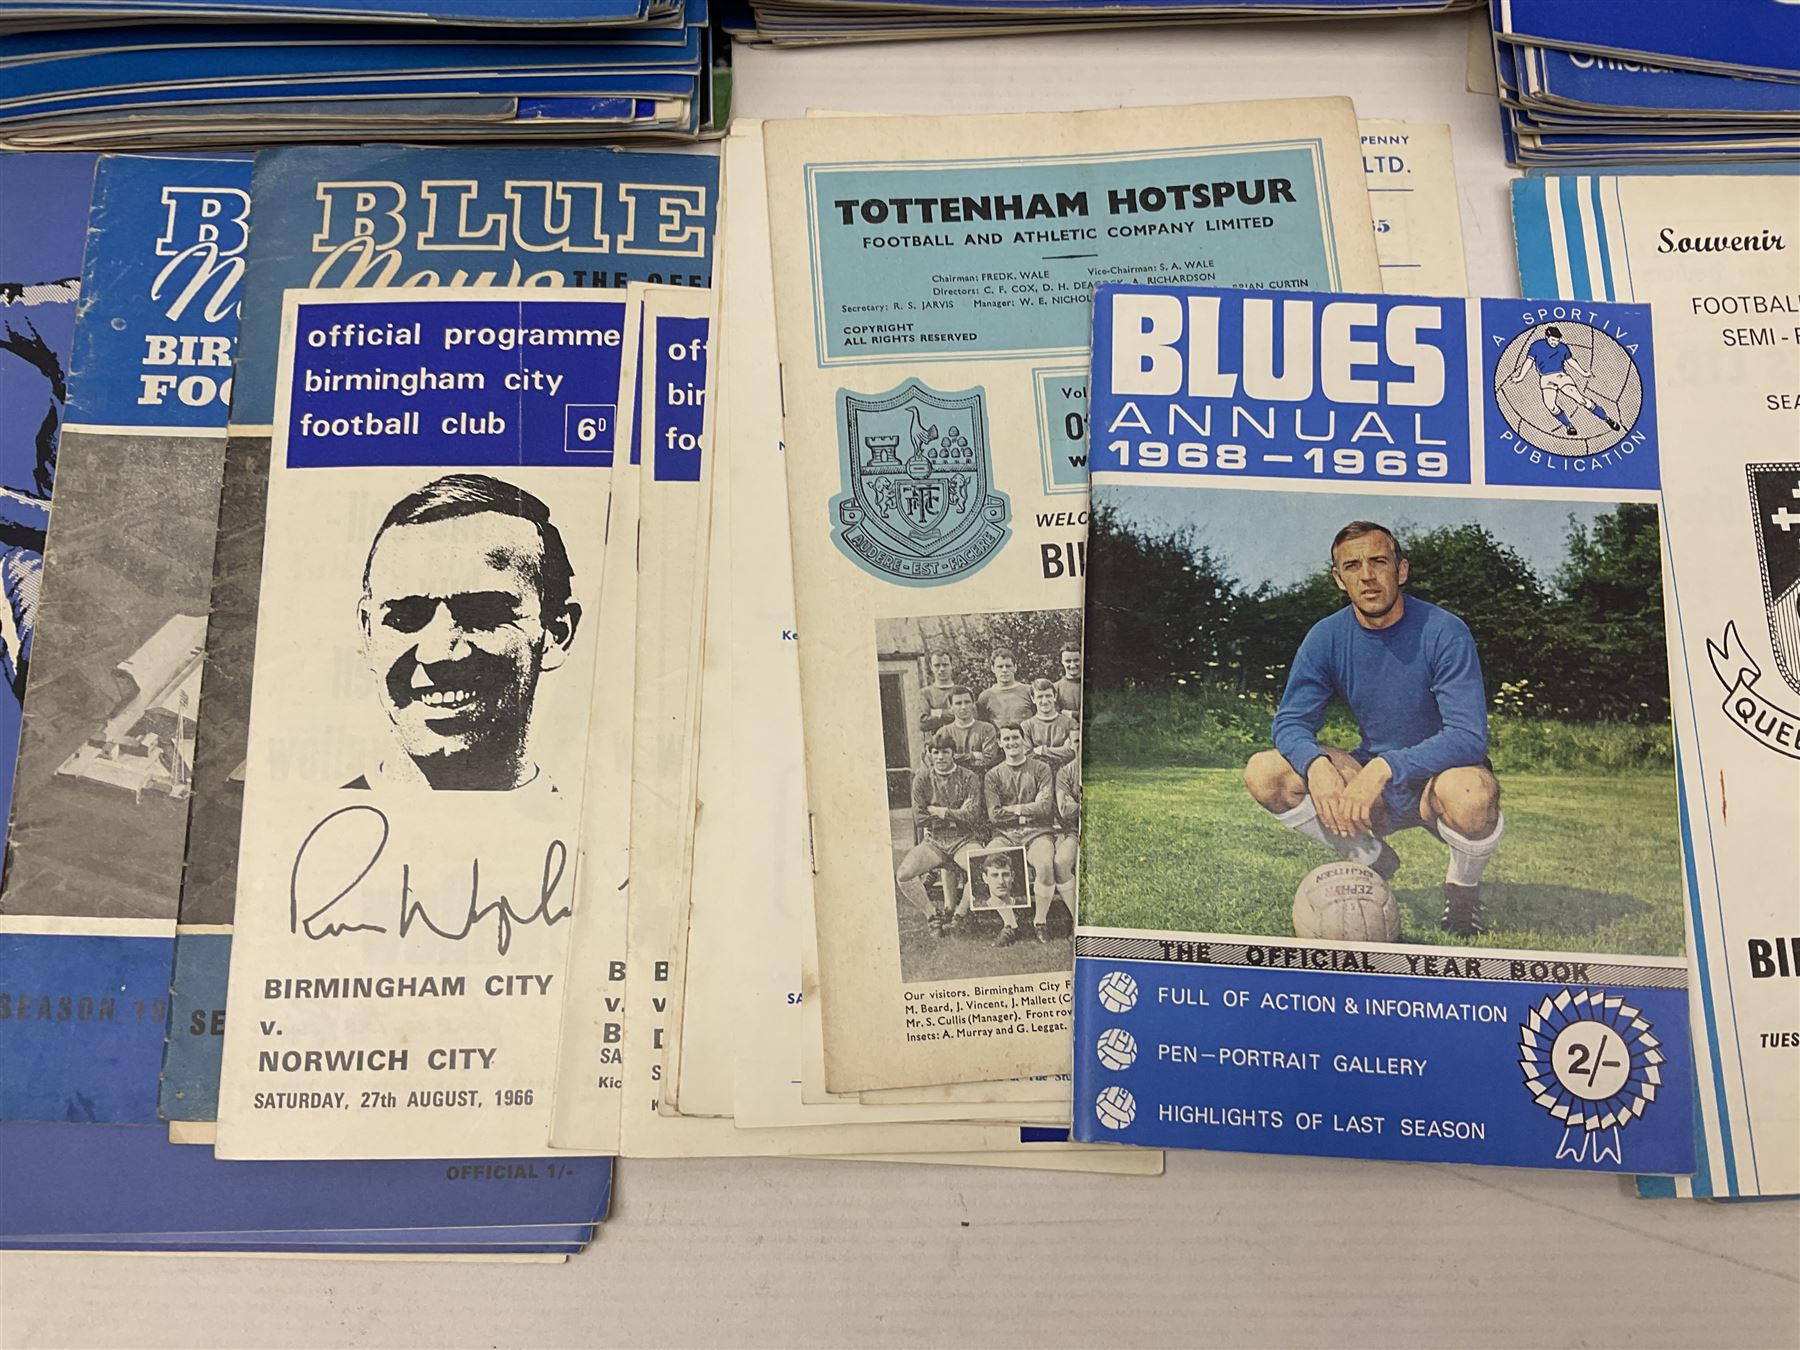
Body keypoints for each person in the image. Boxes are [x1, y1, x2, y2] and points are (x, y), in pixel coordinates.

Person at [1242, 521, 1504, 937]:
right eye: (1352, 565)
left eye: (1379, 561)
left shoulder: (1443, 630)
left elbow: (1468, 735)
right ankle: (1368, 855)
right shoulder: (1326, 636)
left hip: (1438, 782)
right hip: (1373, 786)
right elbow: (1291, 721)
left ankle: (1462, 891)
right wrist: (1318, 766)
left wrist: (1384, 767)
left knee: (1470, 794)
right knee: (1264, 771)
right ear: (1339, 579)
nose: (1367, 575)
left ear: (1401, 571)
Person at [350, 473, 581, 792]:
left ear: (555, 633)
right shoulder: (310, 822)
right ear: (368, 634)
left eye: (483, 613)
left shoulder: (595, 827)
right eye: (406, 616)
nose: (438, 652)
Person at [894, 732, 982, 938]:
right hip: (934, 841)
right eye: (936, 752)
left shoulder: (968, 777)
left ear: (953, 754)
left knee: (982, 867)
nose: (940, 757)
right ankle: (932, 915)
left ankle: (959, 914)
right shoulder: (922, 778)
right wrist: (955, 815)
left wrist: (941, 811)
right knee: (904, 874)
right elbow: (920, 818)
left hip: (963, 839)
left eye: (945, 752)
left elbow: (972, 815)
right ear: (929, 754)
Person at [983, 722, 1059, 946]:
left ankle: (1040, 921)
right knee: (986, 859)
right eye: (1006, 739)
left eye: (1015, 737)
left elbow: (1044, 807)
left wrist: (1013, 810)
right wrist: (1027, 809)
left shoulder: (1041, 768)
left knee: (1045, 863)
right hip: (1005, 834)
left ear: (1023, 740)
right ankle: (1010, 925)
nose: (1011, 743)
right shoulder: (993, 775)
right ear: (999, 743)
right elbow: (995, 815)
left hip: (1037, 832)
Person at [1505, 324, 1622, 439]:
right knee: (1550, 405)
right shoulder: (1536, 346)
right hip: (1545, 379)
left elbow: (1571, 361)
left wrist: (1583, 372)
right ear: (1546, 337)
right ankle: (1568, 425)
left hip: (1561, 376)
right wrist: (1520, 377)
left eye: (1557, 340)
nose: (1555, 343)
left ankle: (1607, 419)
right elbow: (1528, 362)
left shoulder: (1563, 347)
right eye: (1552, 340)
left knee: (1580, 399)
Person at [1051, 724, 1082, 931]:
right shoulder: (1065, 773)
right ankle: (1077, 919)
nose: (1082, 745)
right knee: (1061, 862)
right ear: (1070, 745)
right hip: (1075, 831)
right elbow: (1065, 810)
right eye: (1078, 741)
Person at [938, 685, 1001, 776]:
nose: (963, 707)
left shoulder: (987, 729)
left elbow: (988, 760)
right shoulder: (943, 732)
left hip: (980, 780)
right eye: (958, 703)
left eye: (967, 702)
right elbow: (939, 761)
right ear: (951, 707)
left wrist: (955, 757)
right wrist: (973, 756)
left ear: (973, 704)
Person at [1021, 678, 1077, 771]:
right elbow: (1027, 755)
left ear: (1055, 696)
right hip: (1038, 774)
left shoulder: (1070, 723)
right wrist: (1060, 751)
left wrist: (1042, 750)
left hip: (1065, 772)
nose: (1045, 701)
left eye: (1048, 696)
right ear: (1033, 699)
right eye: (1040, 697)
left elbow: (1071, 752)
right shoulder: (1026, 726)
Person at [976, 646, 1034, 729]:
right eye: (1000, 666)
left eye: (1008, 666)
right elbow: (983, 726)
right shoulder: (985, 697)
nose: (1004, 670)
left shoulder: (1029, 691)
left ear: (1015, 667)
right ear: (993, 669)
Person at [915, 649, 960, 737]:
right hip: (938, 745)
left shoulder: (962, 691)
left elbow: (971, 717)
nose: (942, 669)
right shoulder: (925, 693)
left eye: (945, 665)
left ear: (952, 666)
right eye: (937, 665)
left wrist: (935, 713)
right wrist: (946, 714)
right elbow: (923, 724)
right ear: (931, 667)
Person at [1054, 640, 1083, 717]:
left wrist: (1071, 714)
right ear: (1062, 662)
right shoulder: (1056, 688)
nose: (1072, 665)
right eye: (1068, 661)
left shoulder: (1093, 685)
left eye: (1076, 660)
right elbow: (1056, 717)